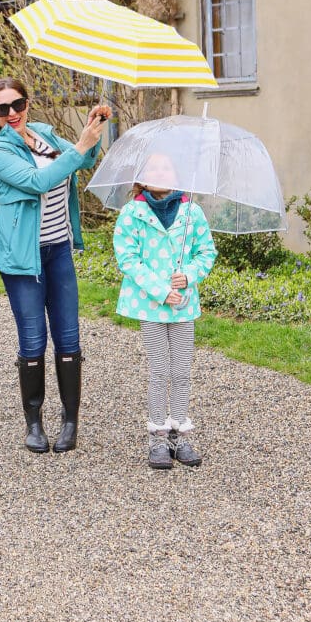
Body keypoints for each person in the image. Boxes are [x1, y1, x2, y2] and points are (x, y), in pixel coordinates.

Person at [0, 76, 110, 454]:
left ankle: (70, 423)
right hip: (24, 256)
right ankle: (34, 424)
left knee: (69, 337)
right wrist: (78, 148)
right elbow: (37, 181)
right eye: (2, 108)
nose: (12, 113)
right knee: (33, 338)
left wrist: (92, 132)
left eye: (17, 104)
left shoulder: (41, 134)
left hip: (58, 249)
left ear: (26, 102)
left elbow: (82, 160)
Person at [112, 152, 216, 470]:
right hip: (151, 306)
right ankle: (157, 437)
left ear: (177, 174)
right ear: (141, 178)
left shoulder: (191, 211)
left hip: (184, 307)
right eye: (153, 167)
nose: (160, 171)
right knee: (159, 371)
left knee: (181, 371)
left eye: (166, 166)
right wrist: (161, 290)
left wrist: (190, 275)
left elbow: (206, 250)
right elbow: (128, 258)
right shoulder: (132, 213)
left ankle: (179, 435)